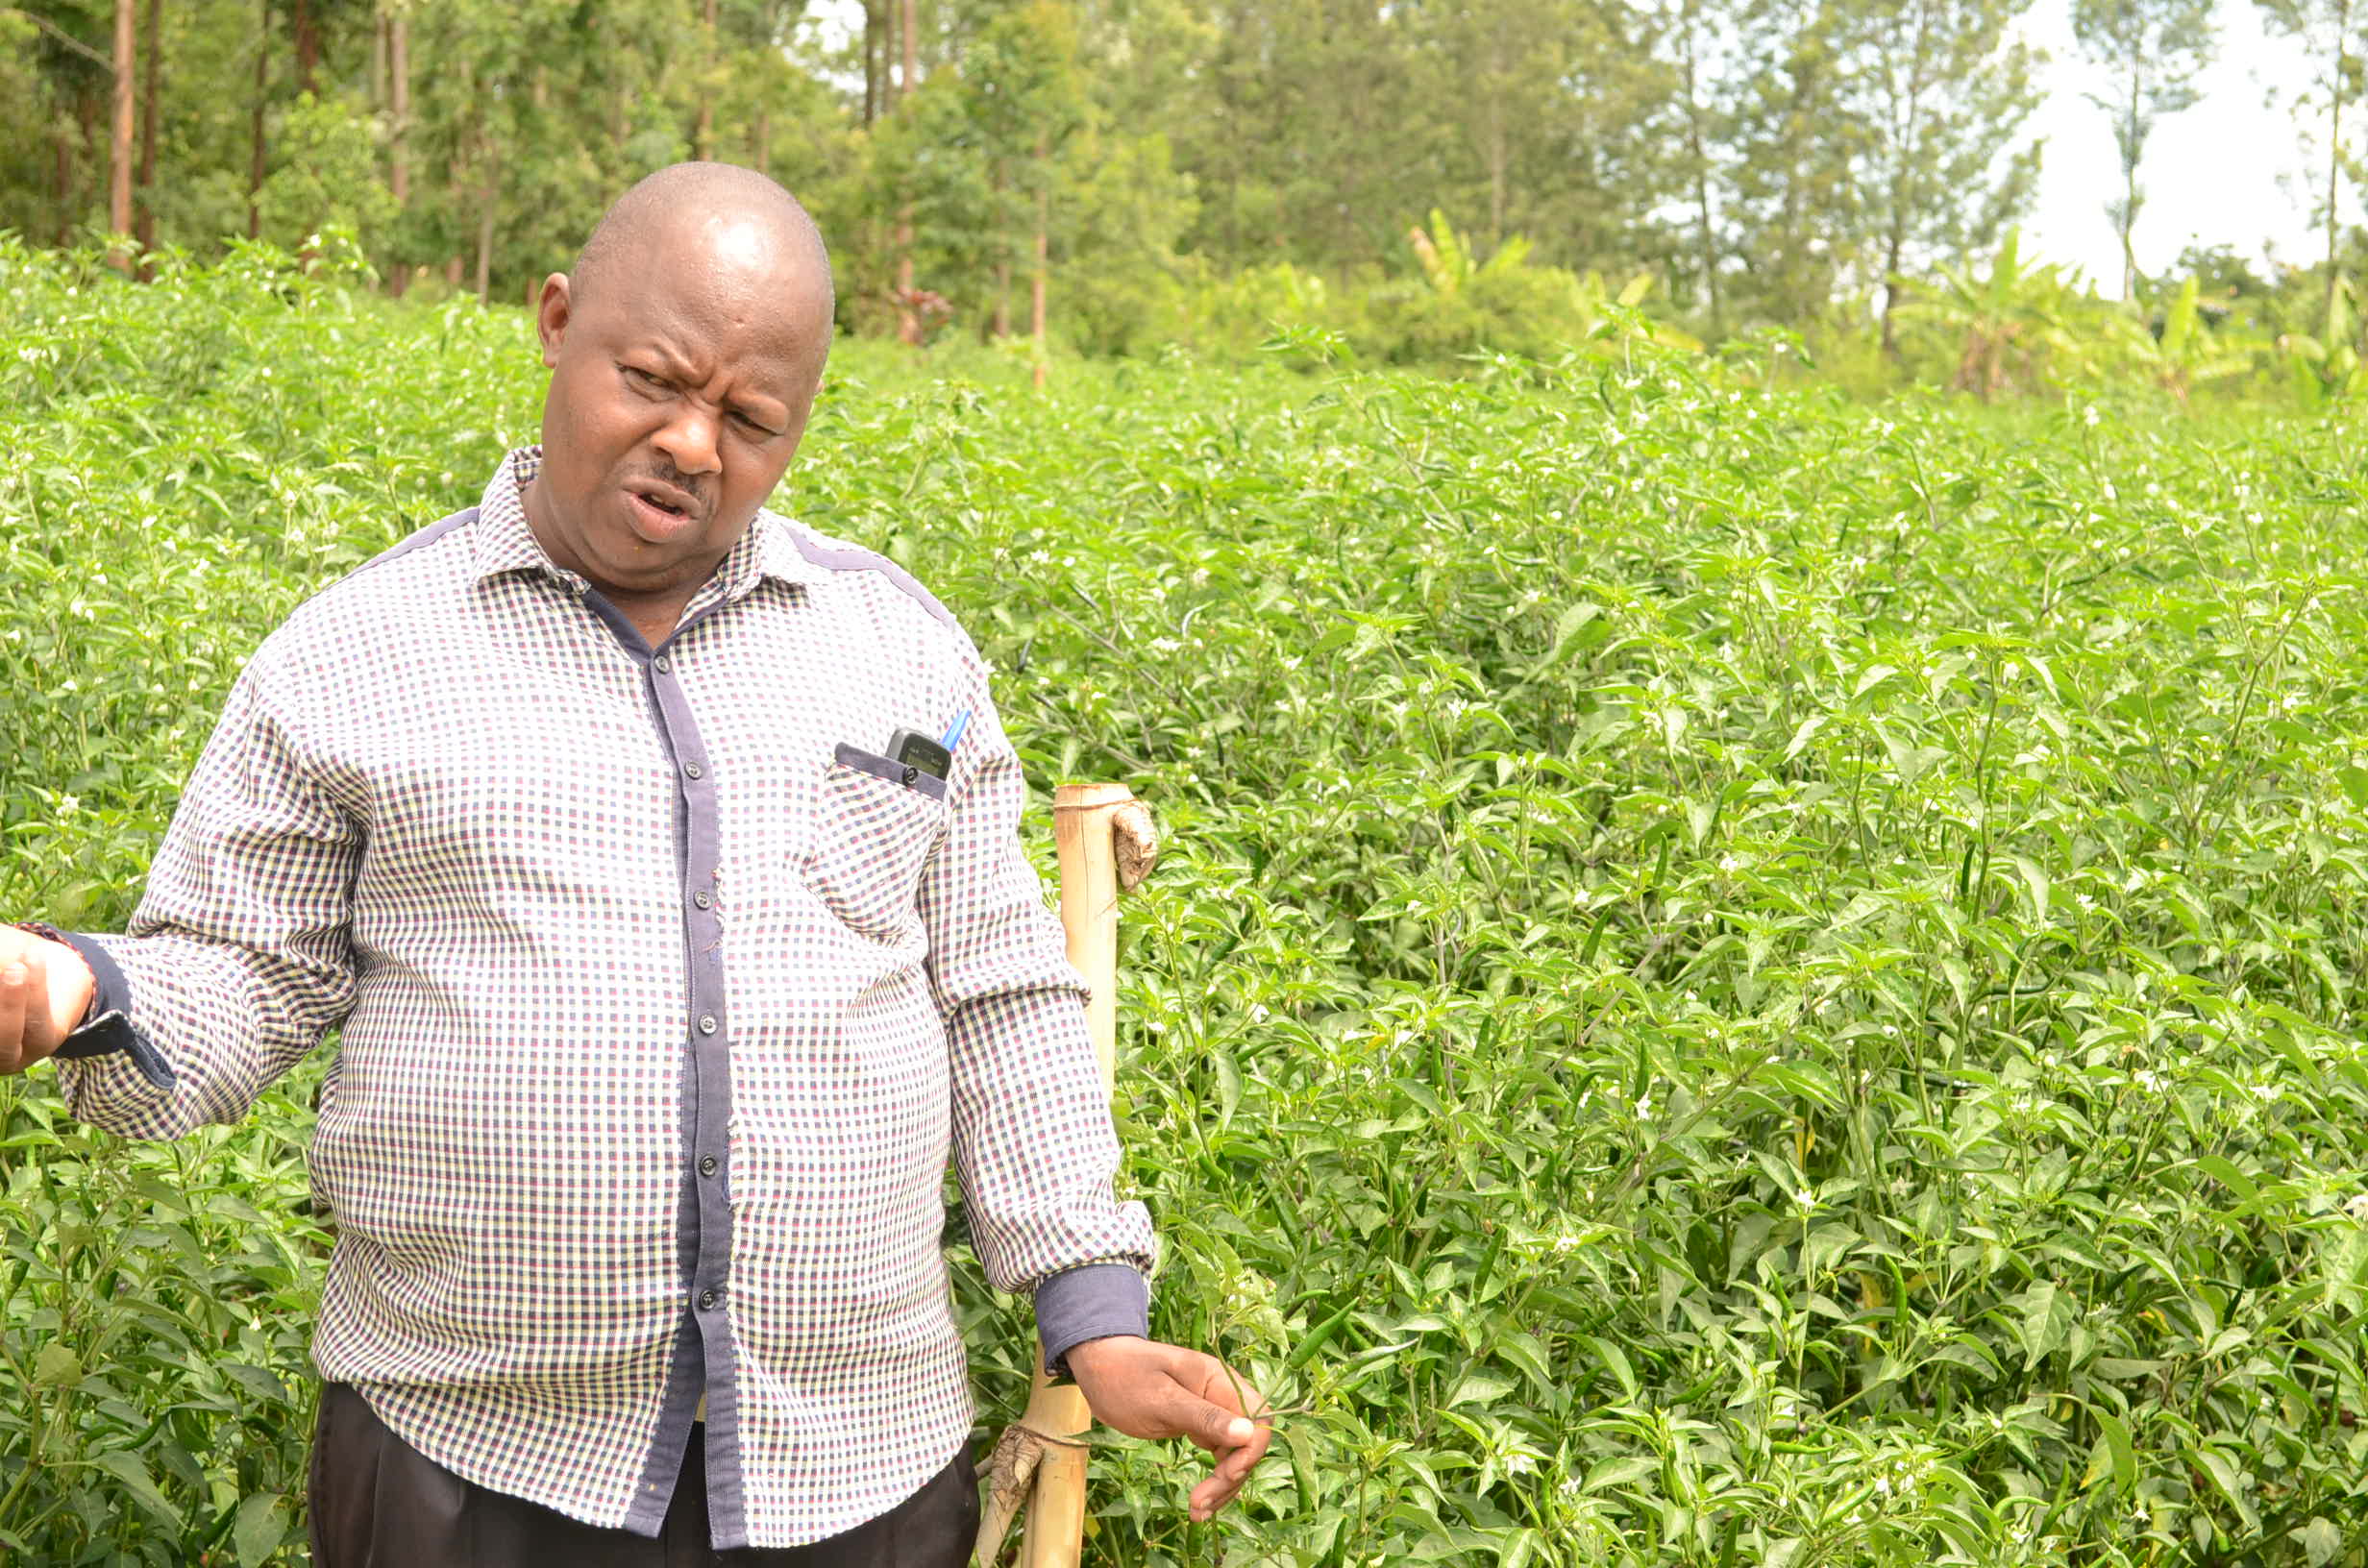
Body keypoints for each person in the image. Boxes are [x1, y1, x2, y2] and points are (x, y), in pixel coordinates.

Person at [0, 161, 1270, 1566]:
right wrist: (75, 992)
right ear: (557, 321)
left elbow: (1001, 996)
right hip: (469, 1466)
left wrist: (1095, 1314)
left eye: (751, 419)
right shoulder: (355, 656)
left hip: (857, 1467)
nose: (691, 444)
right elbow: (243, 972)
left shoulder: (902, 653)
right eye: (652, 381)